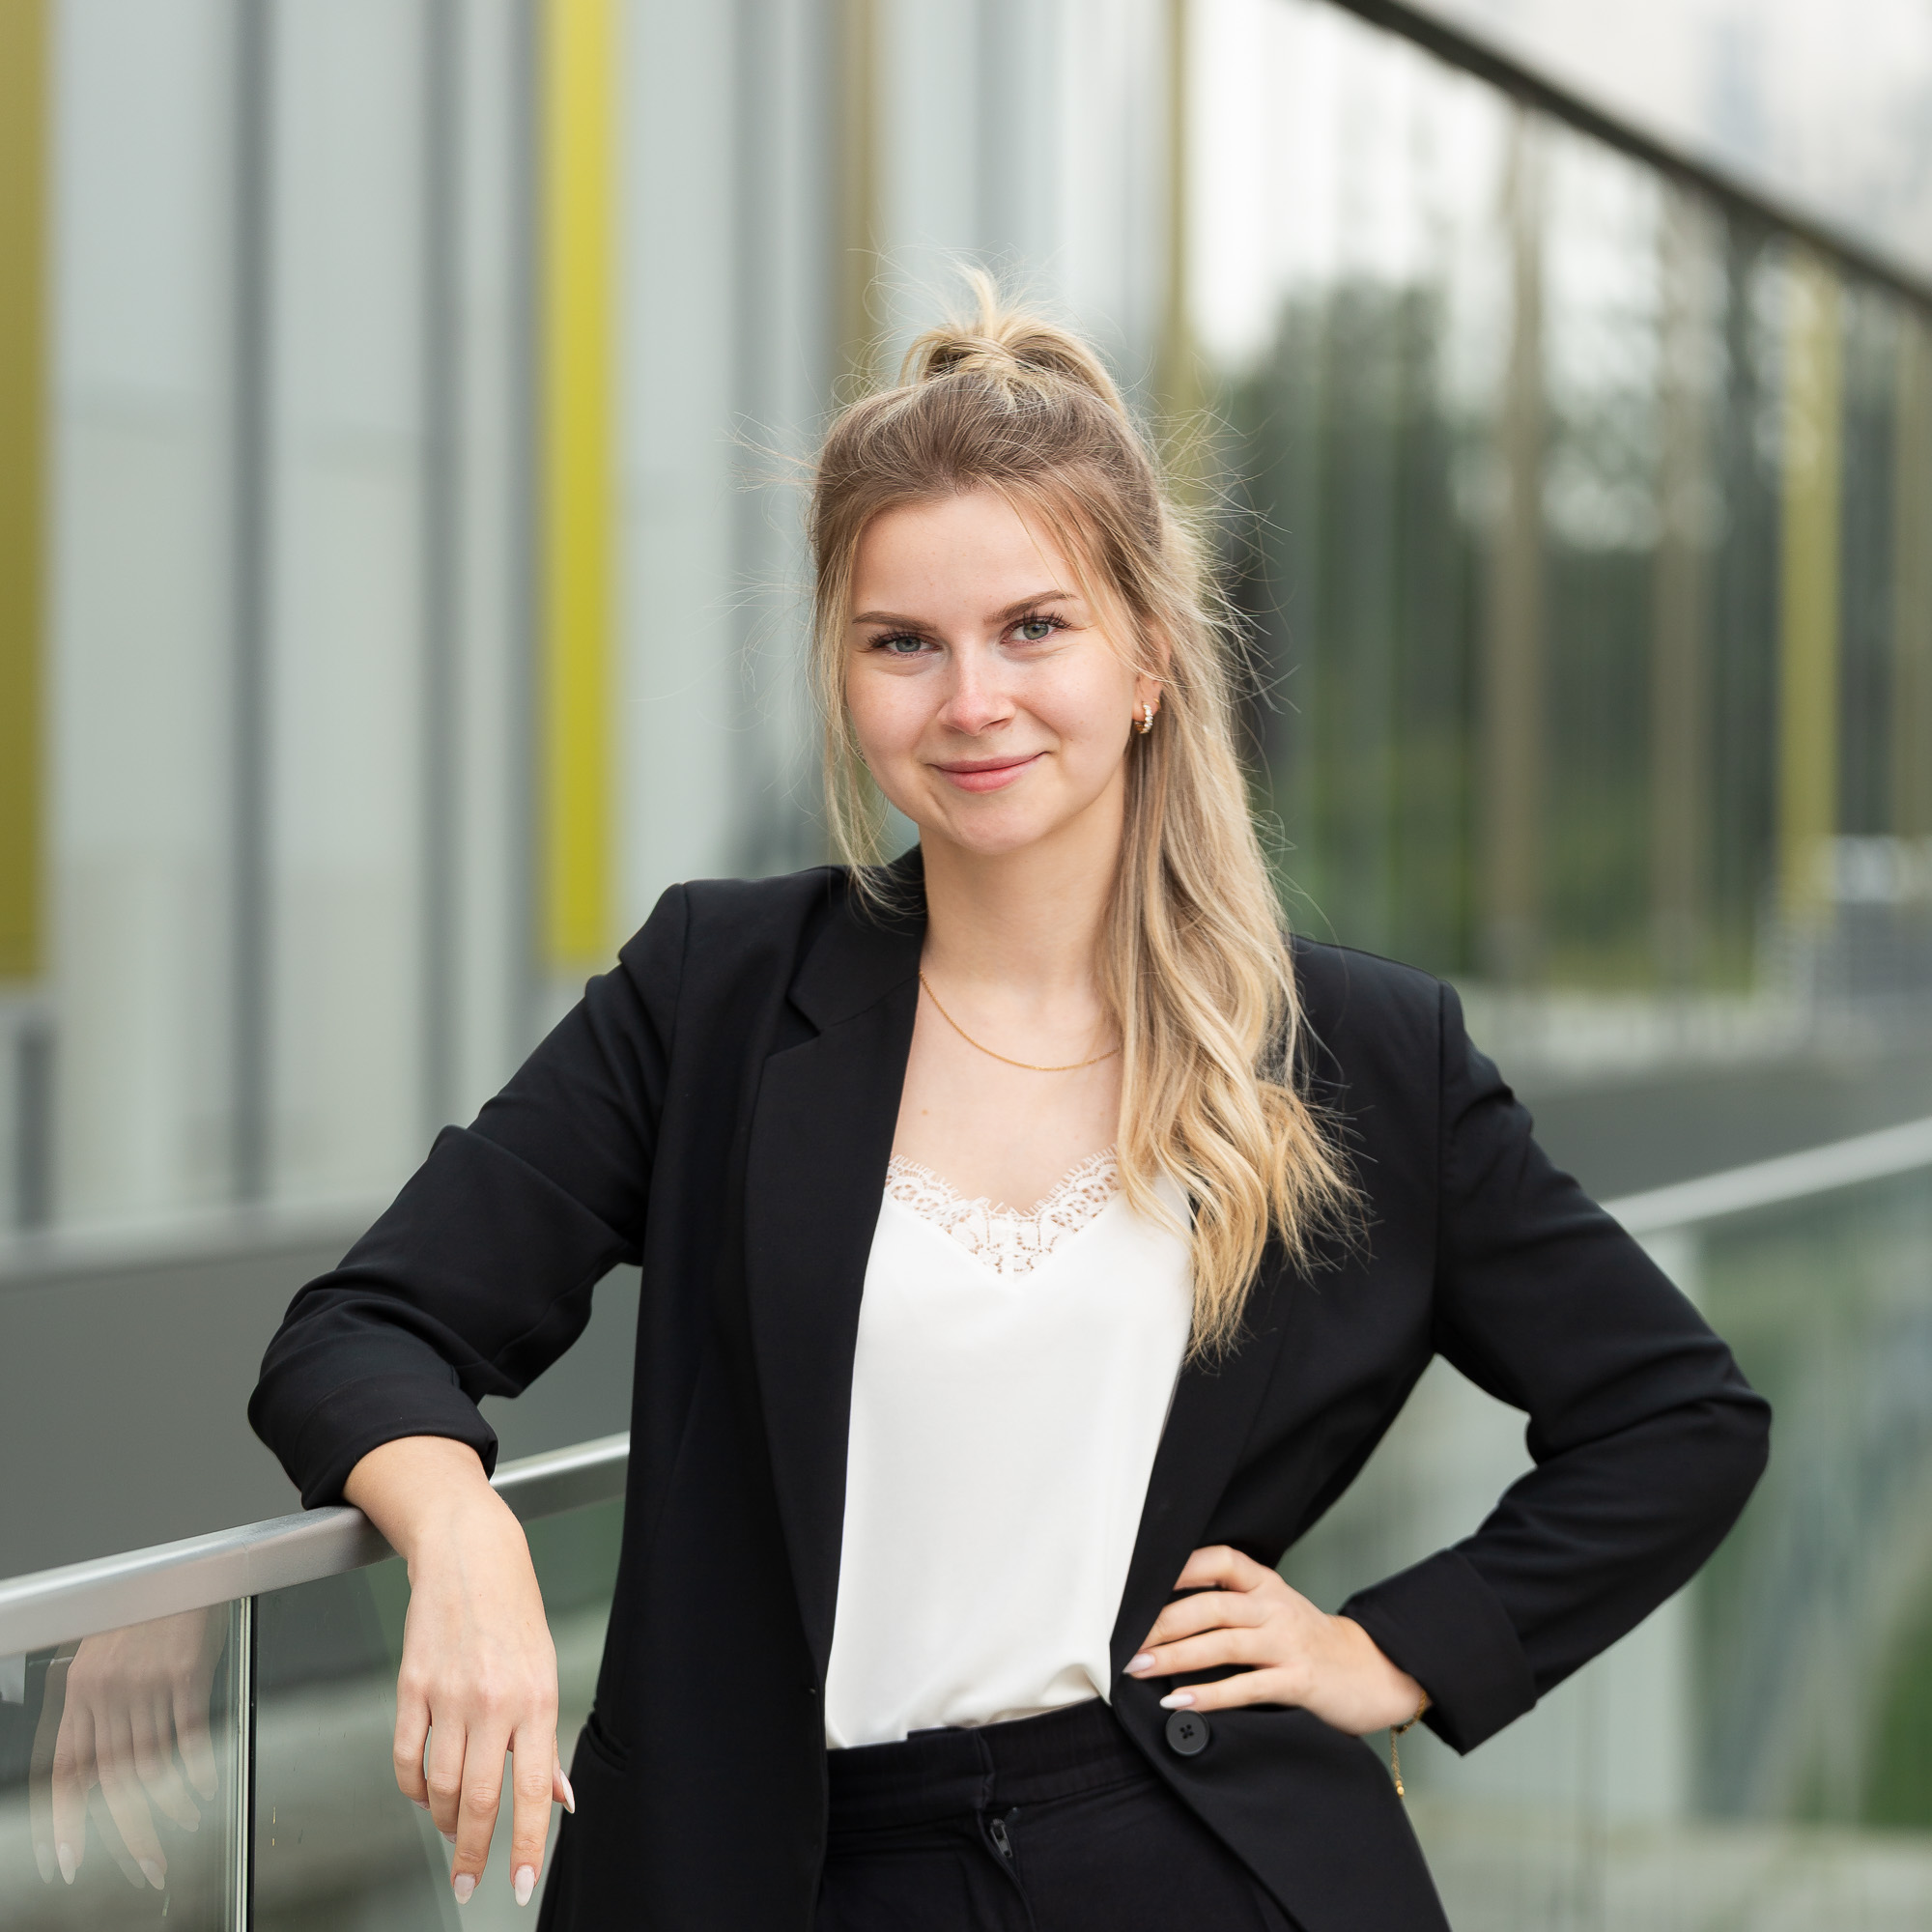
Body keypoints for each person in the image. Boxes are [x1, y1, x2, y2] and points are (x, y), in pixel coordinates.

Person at [249, 281, 1770, 1931]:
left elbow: (1676, 1418)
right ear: (846, 673)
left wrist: (1393, 1647)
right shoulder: (720, 990)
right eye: (905, 642)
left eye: (1033, 628)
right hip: (777, 1875)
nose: (970, 702)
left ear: (1148, 667)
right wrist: (463, 1537)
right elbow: (364, 1328)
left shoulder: (1354, 1051)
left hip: (1192, 1861)